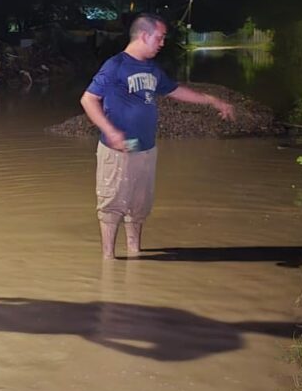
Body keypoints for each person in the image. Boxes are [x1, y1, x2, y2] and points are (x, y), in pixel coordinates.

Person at [79, 14, 236, 260]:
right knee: (112, 205)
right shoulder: (115, 65)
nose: (162, 42)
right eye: (159, 37)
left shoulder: (152, 69)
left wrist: (211, 100)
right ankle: (108, 259)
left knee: (139, 206)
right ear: (144, 35)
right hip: (116, 150)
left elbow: (175, 90)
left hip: (145, 149)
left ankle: (135, 253)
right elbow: (88, 99)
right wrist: (111, 132)